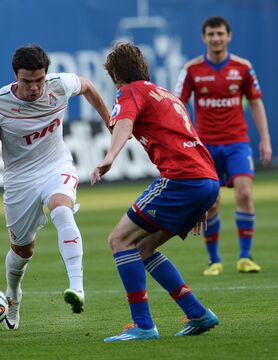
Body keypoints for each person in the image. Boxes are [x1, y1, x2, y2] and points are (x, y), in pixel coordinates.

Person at [0, 44, 111, 330]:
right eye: (27, 82)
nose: (35, 88)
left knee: (62, 209)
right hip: (20, 179)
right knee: (23, 251)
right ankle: (13, 294)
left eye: (39, 81)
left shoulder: (60, 85)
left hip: (56, 165)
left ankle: (77, 287)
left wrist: (110, 121)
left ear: (46, 75)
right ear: (16, 78)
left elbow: (87, 87)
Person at [92, 42, 220, 342]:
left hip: (181, 178)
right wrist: (202, 201)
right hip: (205, 178)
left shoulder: (130, 91)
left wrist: (110, 156)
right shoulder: (164, 94)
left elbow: (124, 124)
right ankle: (197, 313)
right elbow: (191, 136)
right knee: (144, 247)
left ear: (115, 75)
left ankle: (143, 325)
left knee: (119, 240)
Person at [175, 16, 272, 275]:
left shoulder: (242, 68)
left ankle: (245, 257)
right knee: (212, 203)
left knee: (245, 194)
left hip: (237, 142)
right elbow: (176, 105)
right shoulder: (192, 70)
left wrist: (265, 138)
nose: (216, 38)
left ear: (229, 36)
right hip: (205, 146)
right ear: (203, 38)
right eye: (211, 34)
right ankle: (214, 260)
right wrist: (185, 138)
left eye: (220, 34)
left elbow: (255, 102)